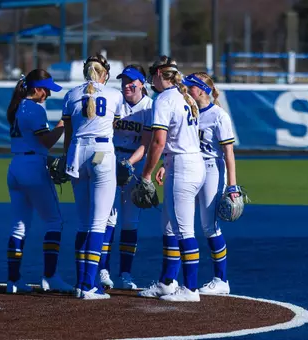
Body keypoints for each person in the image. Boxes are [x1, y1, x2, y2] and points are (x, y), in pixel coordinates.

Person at [137, 56, 206, 302]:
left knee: (184, 230)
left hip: (183, 166)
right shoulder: (185, 96)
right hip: (188, 162)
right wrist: (167, 165)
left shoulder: (164, 98)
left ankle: (191, 289)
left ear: (158, 74)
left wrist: (145, 174)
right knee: (169, 225)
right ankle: (167, 282)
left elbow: (158, 142)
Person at [62, 53, 124, 300]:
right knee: (99, 224)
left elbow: (68, 132)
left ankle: (80, 283)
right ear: (104, 73)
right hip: (102, 153)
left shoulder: (71, 95)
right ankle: (89, 285)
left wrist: (66, 159)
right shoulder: (114, 95)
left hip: (77, 153)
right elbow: (115, 124)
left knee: (83, 224)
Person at [5, 69, 73, 294]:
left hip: (15, 166)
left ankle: (13, 281)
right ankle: (50, 277)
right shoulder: (34, 109)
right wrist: (63, 126)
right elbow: (45, 142)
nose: (48, 94)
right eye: (46, 90)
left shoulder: (17, 107)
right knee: (54, 222)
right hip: (33, 168)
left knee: (18, 226)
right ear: (36, 89)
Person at [181, 72, 239, 295]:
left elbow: (228, 153)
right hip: (190, 168)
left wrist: (232, 185)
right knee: (183, 225)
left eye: (190, 87)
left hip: (211, 170)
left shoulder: (218, 116)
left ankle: (221, 279)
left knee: (209, 226)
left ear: (202, 90)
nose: (186, 90)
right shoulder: (191, 112)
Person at [98, 65, 153, 290]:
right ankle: (103, 270)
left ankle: (126, 273)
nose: (126, 85)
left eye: (131, 81)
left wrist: (128, 165)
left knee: (130, 221)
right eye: (123, 81)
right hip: (111, 159)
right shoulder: (115, 101)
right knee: (108, 218)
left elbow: (147, 143)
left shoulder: (150, 107)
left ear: (142, 83)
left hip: (134, 163)